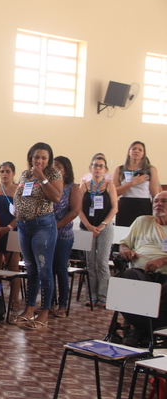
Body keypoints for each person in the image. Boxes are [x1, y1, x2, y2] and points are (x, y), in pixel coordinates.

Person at [11, 142, 62, 330]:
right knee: (30, 269)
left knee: (44, 270)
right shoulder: (25, 174)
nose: (39, 160)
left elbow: (56, 197)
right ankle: (29, 309)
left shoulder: (53, 174)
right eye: (36, 157)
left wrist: (42, 178)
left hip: (43, 226)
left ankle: (44, 313)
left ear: (48, 160)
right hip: (24, 226)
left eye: (43, 158)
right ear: (30, 157)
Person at [118, 191, 167, 346]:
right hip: (141, 273)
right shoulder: (142, 221)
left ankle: (141, 329)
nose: (158, 204)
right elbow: (123, 244)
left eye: (164, 201)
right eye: (156, 201)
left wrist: (162, 260)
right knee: (128, 277)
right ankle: (148, 328)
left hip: (165, 275)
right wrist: (125, 250)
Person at [78, 155, 118, 308]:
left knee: (101, 262)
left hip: (104, 228)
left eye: (101, 166)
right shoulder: (84, 186)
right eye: (95, 165)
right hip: (88, 228)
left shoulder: (109, 186)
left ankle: (103, 296)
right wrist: (88, 225)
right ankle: (91, 296)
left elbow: (115, 208)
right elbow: (78, 209)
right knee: (90, 262)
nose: (98, 168)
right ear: (91, 168)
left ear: (105, 169)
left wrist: (102, 225)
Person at [51, 156, 82, 317]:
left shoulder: (72, 188)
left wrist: (56, 226)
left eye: (59, 167)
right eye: (54, 167)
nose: (56, 170)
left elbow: (75, 211)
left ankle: (63, 305)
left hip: (63, 235)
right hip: (47, 235)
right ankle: (48, 304)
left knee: (60, 269)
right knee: (47, 270)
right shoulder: (50, 187)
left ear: (66, 170)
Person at [0, 162, 21, 309]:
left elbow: (21, 213)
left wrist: (9, 227)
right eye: (2, 171)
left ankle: (14, 300)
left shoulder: (19, 190)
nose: (4, 174)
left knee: (13, 266)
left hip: (13, 231)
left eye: (8, 171)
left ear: (13, 173)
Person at [113, 141, 160, 227]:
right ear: (128, 152)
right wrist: (132, 183)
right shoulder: (120, 169)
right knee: (123, 234)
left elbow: (155, 194)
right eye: (134, 148)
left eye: (140, 150)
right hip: (125, 206)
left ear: (143, 154)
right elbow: (114, 192)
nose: (136, 151)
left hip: (143, 205)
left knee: (142, 234)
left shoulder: (150, 169)